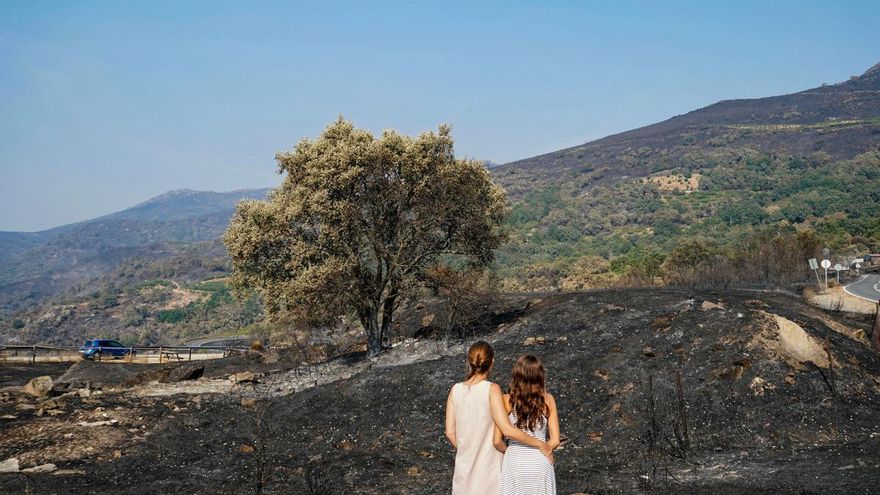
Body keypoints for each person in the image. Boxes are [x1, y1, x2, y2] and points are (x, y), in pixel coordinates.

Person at [445, 341, 553, 495]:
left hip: (464, 465)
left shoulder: (455, 390)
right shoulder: (492, 389)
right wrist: (541, 445)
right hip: (489, 465)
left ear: (469, 361)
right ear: (492, 361)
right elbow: (507, 429)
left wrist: (465, 450)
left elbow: (450, 432)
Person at [497, 354, 559, 495]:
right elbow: (555, 440)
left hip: (515, 463)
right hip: (540, 461)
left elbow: (496, 440)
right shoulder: (548, 400)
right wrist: (546, 448)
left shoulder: (505, 400)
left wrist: (510, 451)